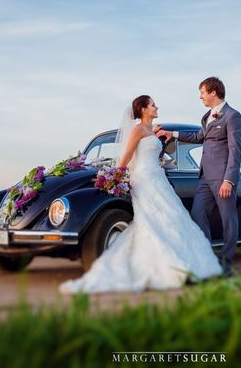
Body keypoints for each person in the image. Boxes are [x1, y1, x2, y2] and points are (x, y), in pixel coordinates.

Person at [59, 95, 223, 294]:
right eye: (153, 105)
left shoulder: (151, 131)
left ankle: (180, 263)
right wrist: (115, 176)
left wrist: (159, 133)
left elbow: (155, 149)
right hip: (144, 179)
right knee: (152, 220)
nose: (157, 107)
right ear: (144, 109)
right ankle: (164, 265)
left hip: (158, 177)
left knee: (171, 219)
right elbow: (127, 156)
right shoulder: (137, 130)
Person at [155, 76, 241, 276]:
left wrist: (229, 179)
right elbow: (199, 137)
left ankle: (226, 262)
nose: (200, 96)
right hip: (204, 177)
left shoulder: (232, 116)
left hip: (222, 178)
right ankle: (207, 257)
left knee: (228, 219)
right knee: (197, 214)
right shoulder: (207, 117)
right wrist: (173, 134)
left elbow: (235, 150)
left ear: (213, 92)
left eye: (202, 92)